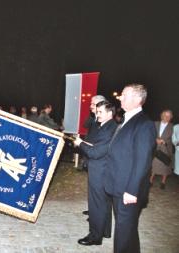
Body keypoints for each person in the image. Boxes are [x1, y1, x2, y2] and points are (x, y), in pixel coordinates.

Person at [104, 84, 156, 253]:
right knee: (128, 231)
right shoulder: (127, 119)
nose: (120, 97)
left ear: (138, 100)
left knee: (123, 234)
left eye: (125, 95)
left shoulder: (144, 124)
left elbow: (143, 161)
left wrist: (132, 191)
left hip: (128, 189)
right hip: (118, 185)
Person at [74, 101, 117, 246]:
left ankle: (95, 237)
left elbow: (96, 152)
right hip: (103, 169)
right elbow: (99, 146)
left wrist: (80, 143)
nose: (96, 115)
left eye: (100, 112)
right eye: (96, 112)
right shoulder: (107, 126)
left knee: (96, 204)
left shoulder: (109, 128)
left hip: (100, 171)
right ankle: (104, 231)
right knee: (104, 203)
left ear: (110, 113)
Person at [150, 110, 174, 189]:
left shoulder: (172, 127)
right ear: (162, 116)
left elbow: (173, 139)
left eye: (169, 116)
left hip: (166, 149)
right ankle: (150, 180)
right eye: (165, 115)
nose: (166, 117)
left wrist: (165, 142)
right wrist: (155, 139)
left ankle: (163, 182)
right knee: (153, 164)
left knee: (165, 165)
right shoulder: (155, 123)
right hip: (155, 147)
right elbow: (150, 133)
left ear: (171, 118)